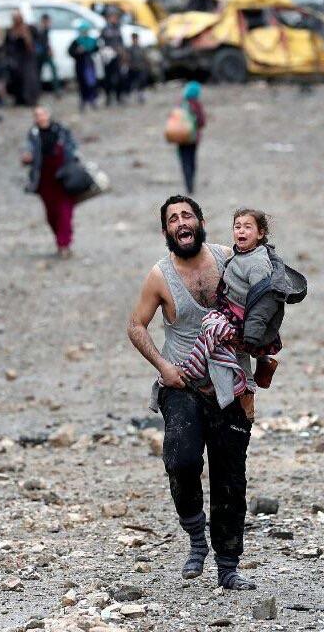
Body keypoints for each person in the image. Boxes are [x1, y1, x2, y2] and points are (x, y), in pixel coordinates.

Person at [127, 195, 257, 591]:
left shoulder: (229, 260)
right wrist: (164, 368)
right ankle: (196, 538)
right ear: (166, 231)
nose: (181, 223)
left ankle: (228, 566)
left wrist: (261, 364)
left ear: (201, 222)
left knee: (229, 477)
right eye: (173, 219)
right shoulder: (159, 276)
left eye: (187, 216)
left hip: (230, 386)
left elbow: (267, 299)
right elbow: (136, 326)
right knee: (181, 460)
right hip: (183, 384)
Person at [180, 209, 287, 403]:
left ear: (260, 233)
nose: (241, 231)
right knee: (226, 344)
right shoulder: (241, 254)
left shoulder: (257, 264)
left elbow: (264, 301)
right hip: (232, 309)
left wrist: (251, 334)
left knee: (214, 332)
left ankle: (239, 392)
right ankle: (259, 366)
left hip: (244, 320)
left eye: (248, 227)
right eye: (237, 227)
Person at [21, 106, 77, 259]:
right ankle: (61, 239)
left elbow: (72, 148)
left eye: (43, 114)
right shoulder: (33, 134)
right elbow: (28, 152)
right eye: (37, 115)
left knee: (65, 211)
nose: (40, 117)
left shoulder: (61, 130)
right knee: (51, 213)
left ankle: (64, 243)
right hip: (44, 178)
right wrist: (27, 158)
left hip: (63, 177)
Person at [175, 81, 206, 195]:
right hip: (192, 138)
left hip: (180, 137)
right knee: (192, 160)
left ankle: (187, 185)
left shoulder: (180, 103)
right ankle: (191, 184)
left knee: (184, 161)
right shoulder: (196, 104)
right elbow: (202, 122)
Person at [6, 10, 41, 106]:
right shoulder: (11, 30)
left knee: (29, 78)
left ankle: (30, 99)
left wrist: (26, 36)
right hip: (16, 58)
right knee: (17, 79)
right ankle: (19, 99)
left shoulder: (29, 28)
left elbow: (33, 44)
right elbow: (9, 44)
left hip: (28, 57)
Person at [67, 22, 99, 111]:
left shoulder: (92, 40)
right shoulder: (76, 41)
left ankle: (92, 99)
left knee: (92, 83)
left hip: (89, 64)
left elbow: (96, 49)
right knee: (82, 83)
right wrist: (77, 52)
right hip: (80, 65)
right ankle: (83, 100)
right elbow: (70, 52)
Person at [100, 8, 125, 106]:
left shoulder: (118, 28)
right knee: (108, 79)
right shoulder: (105, 30)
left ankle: (119, 97)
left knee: (119, 77)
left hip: (117, 57)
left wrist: (122, 51)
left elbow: (121, 42)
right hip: (108, 57)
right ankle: (108, 98)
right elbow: (102, 43)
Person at [36, 14, 62, 95]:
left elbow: (46, 41)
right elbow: (42, 42)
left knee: (52, 69)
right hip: (41, 54)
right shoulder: (40, 29)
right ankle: (38, 90)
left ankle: (56, 90)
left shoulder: (46, 29)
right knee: (38, 72)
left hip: (45, 53)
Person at [125, 32, 149, 104]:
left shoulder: (141, 48)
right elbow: (127, 58)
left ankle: (140, 94)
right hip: (133, 68)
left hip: (140, 67)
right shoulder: (130, 48)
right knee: (132, 82)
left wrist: (146, 64)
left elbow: (144, 57)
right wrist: (129, 65)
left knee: (142, 81)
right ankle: (130, 94)